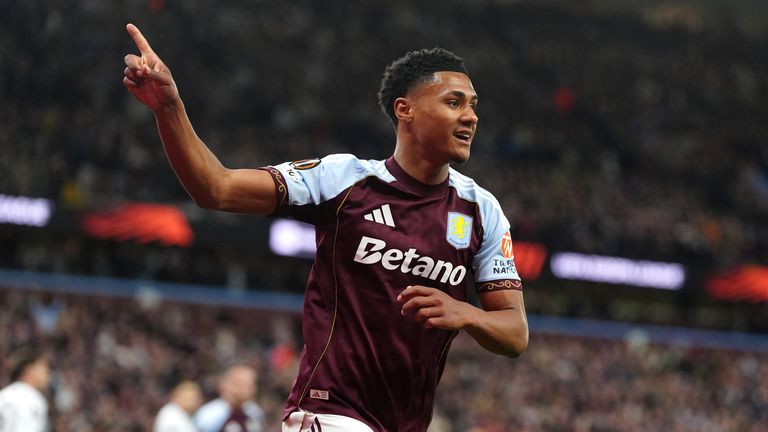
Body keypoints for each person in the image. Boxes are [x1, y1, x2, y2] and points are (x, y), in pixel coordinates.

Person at [123, 22, 528, 432]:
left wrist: (466, 312)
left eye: (473, 105)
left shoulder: (482, 210)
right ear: (405, 110)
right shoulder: (343, 180)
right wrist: (170, 109)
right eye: (454, 102)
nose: (471, 116)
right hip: (329, 413)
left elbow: (515, 334)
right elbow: (217, 188)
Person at [194, 365, 264, 432]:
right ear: (226, 385)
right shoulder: (211, 414)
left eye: (250, 385)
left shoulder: (254, 412)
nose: (246, 390)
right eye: (241, 384)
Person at [0, 349, 50, 432]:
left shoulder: (3, 395)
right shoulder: (32, 398)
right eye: (43, 367)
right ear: (29, 369)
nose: (47, 372)